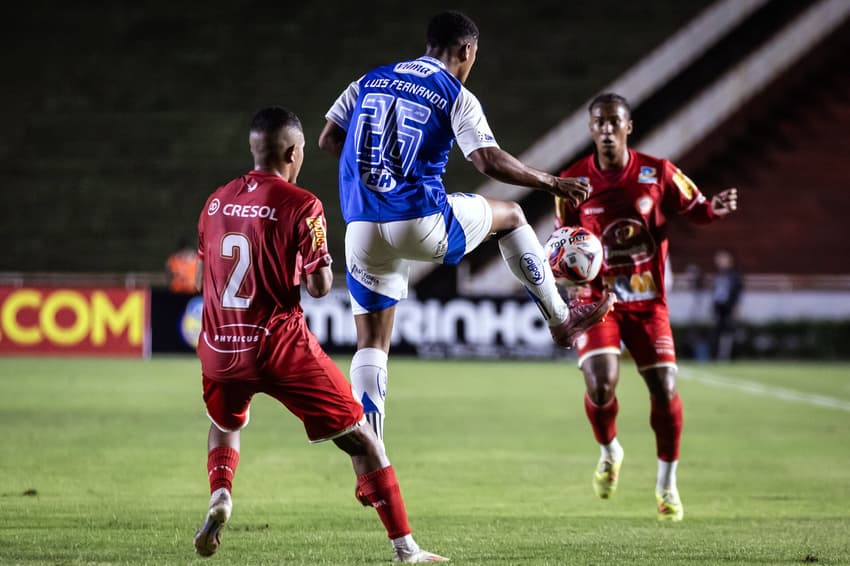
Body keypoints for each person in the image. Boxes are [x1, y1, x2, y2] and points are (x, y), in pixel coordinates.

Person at [318, 10, 615, 446]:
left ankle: (371, 456)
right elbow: (487, 160)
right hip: (419, 219)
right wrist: (551, 181)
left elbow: (329, 138)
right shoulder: (455, 94)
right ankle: (560, 318)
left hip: (360, 226)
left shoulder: (369, 79)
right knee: (512, 217)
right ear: (466, 50)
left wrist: (374, 171)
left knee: (372, 344)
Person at [193, 106, 446, 563]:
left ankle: (221, 495)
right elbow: (317, 286)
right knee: (362, 437)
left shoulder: (215, 202)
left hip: (220, 345)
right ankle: (405, 547)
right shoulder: (301, 203)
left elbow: (201, 278)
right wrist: (322, 263)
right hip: (278, 346)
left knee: (225, 423)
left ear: (254, 148)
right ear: (293, 151)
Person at [553, 92, 738, 521]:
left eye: (613, 122)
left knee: (665, 389)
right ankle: (609, 450)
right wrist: (567, 280)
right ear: (590, 129)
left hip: (648, 300)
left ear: (627, 127)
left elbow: (697, 208)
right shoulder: (572, 182)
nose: (605, 130)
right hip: (598, 302)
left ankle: (667, 484)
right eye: (598, 122)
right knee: (600, 385)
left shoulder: (658, 173)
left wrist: (715, 209)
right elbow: (562, 243)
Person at [711, 249, 743, 361]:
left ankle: (726, 356)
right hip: (719, 307)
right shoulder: (718, 275)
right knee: (718, 331)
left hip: (729, 307)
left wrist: (736, 307)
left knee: (728, 331)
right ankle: (718, 355)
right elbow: (716, 293)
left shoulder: (734, 275)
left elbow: (737, 293)